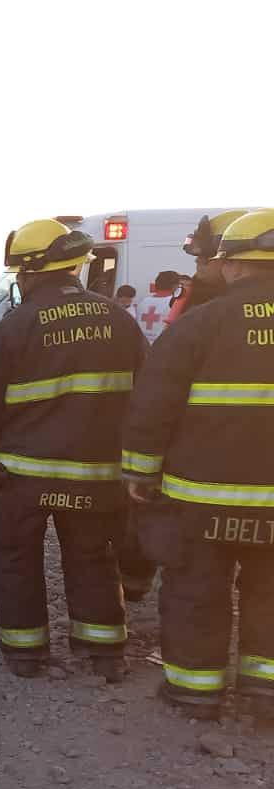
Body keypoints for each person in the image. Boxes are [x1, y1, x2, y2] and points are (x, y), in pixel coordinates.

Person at [0, 219, 149, 680]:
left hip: (21, 478)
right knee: (94, 556)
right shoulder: (121, 322)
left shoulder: (14, 327)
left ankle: (25, 654)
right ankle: (104, 652)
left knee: (15, 557)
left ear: (29, 274)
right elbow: (148, 396)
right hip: (96, 476)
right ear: (76, 267)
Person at [122, 209, 274, 719]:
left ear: (233, 265)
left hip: (201, 498)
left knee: (196, 590)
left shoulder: (198, 326)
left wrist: (140, 472)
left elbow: (154, 405)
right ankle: (266, 693)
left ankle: (195, 692)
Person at [166, 209, 249, 326]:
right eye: (198, 256)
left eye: (207, 256)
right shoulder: (195, 295)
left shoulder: (247, 304)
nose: (197, 261)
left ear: (239, 260)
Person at [131, 276, 174, 345]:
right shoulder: (174, 302)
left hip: (142, 345)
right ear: (175, 286)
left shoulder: (143, 301)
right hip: (161, 346)